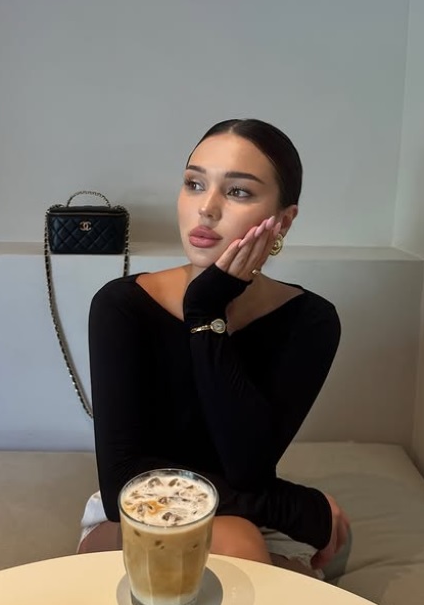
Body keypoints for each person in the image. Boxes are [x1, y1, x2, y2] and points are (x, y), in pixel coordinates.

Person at [78, 118, 350, 577]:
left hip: (248, 511)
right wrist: (296, 507)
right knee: (236, 544)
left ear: (283, 221)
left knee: (242, 542)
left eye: (238, 191)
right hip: (140, 507)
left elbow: (248, 466)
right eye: (194, 184)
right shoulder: (121, 306)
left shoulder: (311, 322)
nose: (206, 208)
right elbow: (122, 480)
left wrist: (207, 316)